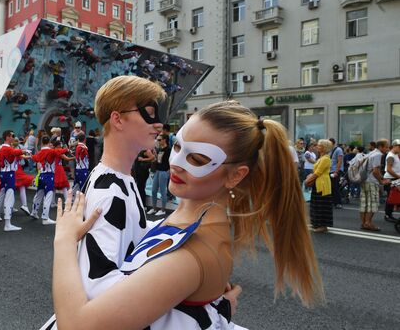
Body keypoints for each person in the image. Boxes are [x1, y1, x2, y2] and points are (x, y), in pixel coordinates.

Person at [48, 100, 324, 329]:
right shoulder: (191, 218)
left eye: (198, 159)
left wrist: (64, 240)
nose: (176, 163)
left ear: (236, 175)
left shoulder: (193, 252)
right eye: (178, 146)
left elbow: (77, 326)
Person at [0, 130, 31, 231]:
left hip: (4, 174)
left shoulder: (3, 149)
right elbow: (15, 152)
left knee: (0, 197)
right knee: (9, 198)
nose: (14, 137)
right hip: (9, 174)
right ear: (7, 137)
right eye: (12, 135)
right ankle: (7, 224)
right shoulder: (7, 148)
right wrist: (24, 151)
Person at [30, 136, 68, 225]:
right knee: (48, 197)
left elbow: (34, 158)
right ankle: (45, 217)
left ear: (42, 142)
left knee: (38, 195)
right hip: (49, 176)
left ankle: (34, 212)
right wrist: (66, 149)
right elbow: (59, 151)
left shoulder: (40, 152)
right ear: (48, 142)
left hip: (41, 176)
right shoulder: (51, 151)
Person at [360, 139, 391, 231]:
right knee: (373, 203)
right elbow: (375, 171)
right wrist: (381, 181)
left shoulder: (371, 153)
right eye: (386, 147)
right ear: (380, 147)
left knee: (364, 204)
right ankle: (368, 223)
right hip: (372, 182)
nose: (387, 149)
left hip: (364, 180)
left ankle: (363, 223)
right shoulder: (378, 155)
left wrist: (382, 177)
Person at [305, 140, 333, 233]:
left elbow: (318, 172)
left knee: (322, 205)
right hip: (318, 183)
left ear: (324, 148)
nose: (317, 147)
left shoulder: (325, 158)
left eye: (319, 146)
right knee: (316, 204)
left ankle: (322, 225)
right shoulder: (321, 157)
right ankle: (317, 223)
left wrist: (308, 180)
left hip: (323, 184)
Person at [149, 133, 171, 216]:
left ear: (164, 140)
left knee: (162, 191)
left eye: (159, 139)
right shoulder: (159, 149)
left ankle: (163, 209)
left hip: (163, 172)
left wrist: (168, 171)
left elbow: (170, 161)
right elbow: (158, 161)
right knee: (154, 190)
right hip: (158, 171)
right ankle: (154, 208)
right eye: (157, 139)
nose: (157, 141)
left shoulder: (168, 150)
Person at [383, 139, 400, 223]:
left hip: (395, 179)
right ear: (394, 146)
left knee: (394, 197)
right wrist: (398, 176)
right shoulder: (391, 156)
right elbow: (389, 169)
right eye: (399, 146)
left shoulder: (395, 154)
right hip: (390, 179)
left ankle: (389, 214)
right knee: (391, 198)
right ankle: (387, 215)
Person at [329, 138, 344, 209]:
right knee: (331, 187)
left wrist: (336, 171)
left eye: (329, 143)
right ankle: (333, 201)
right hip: (330, 170)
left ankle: (338, 202)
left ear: (333, 143)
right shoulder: (329, 150)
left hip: (335, 170)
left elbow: (340, 161)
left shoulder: (338, 150)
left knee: (335, 187)